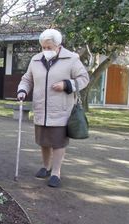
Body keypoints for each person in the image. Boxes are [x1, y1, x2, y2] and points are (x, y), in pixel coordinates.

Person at [17, 29, 89, 188]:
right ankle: (46, 166)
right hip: (41, 108)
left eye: (49, 47)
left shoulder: (71, 59)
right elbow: (27, 79)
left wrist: (66, 84)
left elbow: (84, 79)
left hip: (61, 109)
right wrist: (22, 90)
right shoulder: (35, 60)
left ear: (58, 45)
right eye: (43, 47)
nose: (45, 50)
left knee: (58, 142)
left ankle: (56, 172)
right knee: (44, 141)